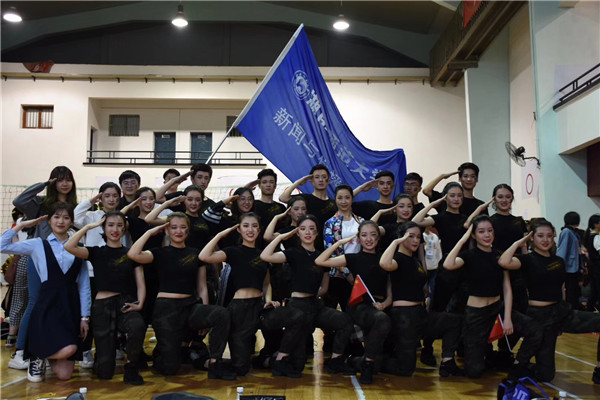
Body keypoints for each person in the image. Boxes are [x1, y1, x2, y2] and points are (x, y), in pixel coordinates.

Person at [127, 212, 234, 379]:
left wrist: (206, 317)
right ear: (167, 230)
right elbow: (133, 254)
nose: (178, 231)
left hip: (190, 307)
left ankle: (214, 362)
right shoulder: (159, 252)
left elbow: (202, 287)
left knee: (222, 314)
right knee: (170, 368)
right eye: (173, 227)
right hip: (166, 311)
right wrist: (150, 232)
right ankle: (162, 353)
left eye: (183, 227)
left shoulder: (196, 254)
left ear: (188, 230)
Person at [499, 219, 600, 384]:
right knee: (545, 375)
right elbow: (503, 261)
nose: (545, 239)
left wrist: (564, 308)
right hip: (540, 317)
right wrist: (520, 242)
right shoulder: (527, 260)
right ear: (532, 238)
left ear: (554, 236)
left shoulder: (558, 261)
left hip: (562, 312)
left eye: (549, 235)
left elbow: (561, 288)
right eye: (540, 236)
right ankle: (519, 367)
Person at [0, 203, 91, 382]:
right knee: (68, 350)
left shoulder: (80, 247)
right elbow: (2, 246)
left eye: (66, 217)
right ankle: (37, 356)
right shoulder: (37, 245)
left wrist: (84, 317)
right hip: (46, 307)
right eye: (56, 217)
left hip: (69, 307)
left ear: (71, 221)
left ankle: (42, 354)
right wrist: (21, 225)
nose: (61, 221)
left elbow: (84, 285)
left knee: (65, 375)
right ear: (49, 220)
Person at [444, 215, 541, 379]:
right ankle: (488, 355)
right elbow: (448, 264)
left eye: (490, 231)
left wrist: (508, 318)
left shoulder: (499, 256)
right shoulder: (468, 256)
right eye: (481, 232)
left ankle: (518, 365)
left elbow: (507, 288)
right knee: (474, 371)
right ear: (473, 235)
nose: (487, 235)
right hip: (475, 315)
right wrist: (463, 239)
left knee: (535, 330)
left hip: (497, 309)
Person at [260, 215, 356, 375]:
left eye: (312, 229)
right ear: (297, 233)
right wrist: (282, 237)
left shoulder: (321, 256)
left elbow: (324, 288)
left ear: (317, 233)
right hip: (296, 306)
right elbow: (265, 256)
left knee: (344, 321)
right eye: (303, 229)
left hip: (315, 306)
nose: (308, 232)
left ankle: (336, 360)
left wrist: (312, 296)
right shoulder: (293, 253)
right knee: (298, 365)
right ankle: (278, 360)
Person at [199, 213, 289, 377]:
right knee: (241, 368)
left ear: (259, 230)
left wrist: (268, 300)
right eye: (245, 226)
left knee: (285, 320)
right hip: (239, 309)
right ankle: (207, 362)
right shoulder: (233, 251)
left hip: (259, 307)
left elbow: (266, 284)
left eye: (254, 226)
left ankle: (266, 358)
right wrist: (220, 235)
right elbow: (204, 256)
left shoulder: (263, 254)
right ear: (239, 229)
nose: (250, 230)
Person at [64, 211, 145, 385]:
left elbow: (141, 284)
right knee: (104, 372)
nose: (115, 229)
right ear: (103, 228)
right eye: (110, 225)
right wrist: (88, 227)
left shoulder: (132, 253)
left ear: (124, 229)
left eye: (119, 225)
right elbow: (69, 246)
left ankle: (131, 366)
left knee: (137, 325)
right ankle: (102, 357)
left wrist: (140, 304)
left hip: (125, 303)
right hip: (102, 306)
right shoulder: (96, 252)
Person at [10, 166, 78, 371]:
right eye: (59, 180)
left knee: (58, 304)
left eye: (68, 179)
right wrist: (44, 184)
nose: (64, 183)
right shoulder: (41, 204)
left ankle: (48, 348)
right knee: (34, 302)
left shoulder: (75, 207)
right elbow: (19, 201)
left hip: (64, 260)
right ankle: (20, 352)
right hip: (39, 258)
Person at [380, 221, 463, 378]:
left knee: (454, 321)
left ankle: (447, 362)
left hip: (421, 314)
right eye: (411, 237)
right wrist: (396, 242)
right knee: (405, 369)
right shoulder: (397, 259)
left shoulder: (416, 261)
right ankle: (367, 361)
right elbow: (384, 263)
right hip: (404, 317)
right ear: (401, 238)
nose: (415, 240)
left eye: (418, 237)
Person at [315, 220, 392, 384]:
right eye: (364, 235)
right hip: (359, 306)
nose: (368, 239)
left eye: (373, 235)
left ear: (378, 238)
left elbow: (389, 292)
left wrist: (384, 304)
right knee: (382, 319)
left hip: (378, 307)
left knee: (379, 361)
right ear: (358, 239)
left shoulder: (385, 259)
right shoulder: (352, 258)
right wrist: (340, 243)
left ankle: (356, 361)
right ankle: (367, 365)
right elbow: (320, 261)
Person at [464, 184, 528, 365]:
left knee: (518, 313)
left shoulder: (519, 221)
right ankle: (487, 350)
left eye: (508, 196)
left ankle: (504, 350)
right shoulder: (489, 221)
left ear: (512, 198)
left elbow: (524, 247)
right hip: (494, 270)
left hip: (516, 271)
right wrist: (481, 207)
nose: (504, 200)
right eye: (500, 197)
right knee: (491, 315)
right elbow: (468, 225)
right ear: (494, 200)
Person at [123, 187, 171, 324]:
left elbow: (164, 243)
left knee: (156, 305)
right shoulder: (131, 221)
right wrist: (130, 206)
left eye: (151, 199)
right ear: (137, 202)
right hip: (138, 265)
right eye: (144, 199)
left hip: (157, 265)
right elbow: (113, 218)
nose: (148, 202)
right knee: (141, 304)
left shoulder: (160, 221)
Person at [323, 184, 364, 313]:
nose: (343, 201)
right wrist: (347, 273)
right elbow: (330, 251)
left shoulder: (361, 221)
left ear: (352, 199)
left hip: (359, 272)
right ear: (335, 199)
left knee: (358, 311)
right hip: (338, 275)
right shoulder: (330, 223)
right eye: (340, 198)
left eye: (347, 197)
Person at [278, 164, 337, 250]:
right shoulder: (306, 199)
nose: (320, 180)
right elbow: (283, 198)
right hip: (310, 247)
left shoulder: (333, 203)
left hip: (330, 247)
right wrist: (298, 183)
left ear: (328, 181)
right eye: (317, 177)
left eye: (324, 177)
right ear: (311, 181)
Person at [557, 211, 586, 310]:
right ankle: (572, 308)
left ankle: (575, 306)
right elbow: (562, 250)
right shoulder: (567, 232)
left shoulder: (572, 232)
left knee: (574, 288)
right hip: (568, 266)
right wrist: (560, 265)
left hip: (573, 265)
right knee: (571, 289)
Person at [583, 214, 600, 312]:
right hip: (598, 266)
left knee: (594, 290)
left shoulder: (589, 236)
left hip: (593, 267)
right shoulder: (596, 237)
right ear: (596, 224)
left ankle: (589, 308)